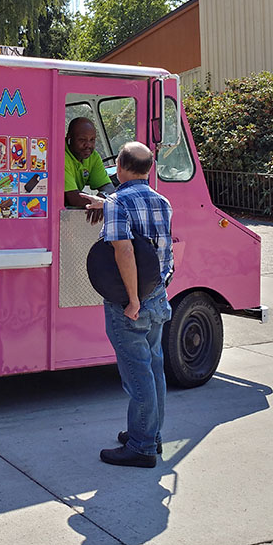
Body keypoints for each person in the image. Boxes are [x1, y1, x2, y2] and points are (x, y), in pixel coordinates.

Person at [90, 141, 173, 468]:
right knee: (154, 369)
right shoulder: (163, 201)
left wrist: (133, 300)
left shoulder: (117, 202)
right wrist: (155, 292)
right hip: (158, 296)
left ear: (120, 168)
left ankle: (140, 448)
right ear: (149, 169)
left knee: (137, 375)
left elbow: (124, 251)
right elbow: (162, 253)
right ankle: (150, 435)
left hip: (131, 302)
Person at [63, 117, 114, 223]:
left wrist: (102, 198)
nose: (88, 145)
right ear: (69, 138)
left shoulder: (93, 156)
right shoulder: (60, 154)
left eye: (92, 140)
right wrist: (98, 203)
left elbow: (108, 187)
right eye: (82, 140)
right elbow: (74, 198)